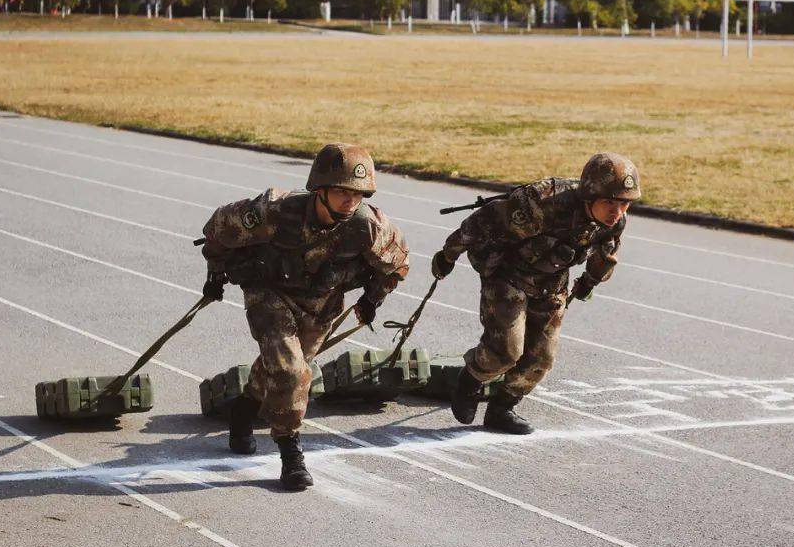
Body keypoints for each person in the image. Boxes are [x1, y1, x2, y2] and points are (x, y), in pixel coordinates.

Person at [200, 143, 409, 490]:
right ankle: (290, 454)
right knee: (291, 371)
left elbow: (398, 264)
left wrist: (373, 299)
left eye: (357, 194)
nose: (350, 201)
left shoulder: (368, 227)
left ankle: (246, 407)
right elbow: (218, 228)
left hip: (321, 304)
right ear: (320, 188)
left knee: (282, 368)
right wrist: (215, 272)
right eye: (342, 191)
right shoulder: (274, 211)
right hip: (269, 294)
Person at [430, 153, 639, 434]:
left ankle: (502, 408)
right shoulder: (543, 204)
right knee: (506, 351)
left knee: (541, 357)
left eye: (624, 203)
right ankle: (470, 380)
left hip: (551, 280)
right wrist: (449, 254)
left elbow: (606, 253)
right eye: (610, 203)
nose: (617, 211)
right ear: (590, 196)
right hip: (508, 272)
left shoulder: (615, 221)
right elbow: (483, 223)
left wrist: (590, 281)